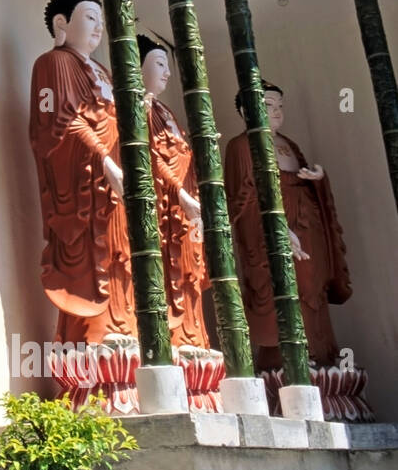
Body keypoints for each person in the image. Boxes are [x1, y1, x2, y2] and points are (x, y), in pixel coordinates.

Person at [29, 0, 136, 345]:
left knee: (123, 256)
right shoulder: (53, 63)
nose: (98, 28)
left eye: (101, 21)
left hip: (117, 184)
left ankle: (126, 330)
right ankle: (92, 340)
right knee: (95, 257)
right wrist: (104, 162)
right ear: (62, 22)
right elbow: (60, 122)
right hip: (87, 184)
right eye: (89, 17)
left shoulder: (104, 73)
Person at [224, 81, 351, 369]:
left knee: (312, 286)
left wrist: (318, 180)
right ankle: (286, 361)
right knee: (284, 286)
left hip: (307, 226)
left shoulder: (289, 144)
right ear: (247, 110)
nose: (278, 112)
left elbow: (301, 180)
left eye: (280, 106)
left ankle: (322, 356)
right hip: (273, 231)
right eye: (269, 106)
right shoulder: (241, 146)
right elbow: (242, 200)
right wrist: (275, 225)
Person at [138, 35, 209, 349]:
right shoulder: (140, 109)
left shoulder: (165, 111)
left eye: (168, 64)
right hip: (165, 206)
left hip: (186, 206)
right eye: (159, 63)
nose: (167, 72)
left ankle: (194, 336)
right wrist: (178, 192)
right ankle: (173, 340)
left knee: (190, 274)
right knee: (167, 271)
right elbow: (150, 155)